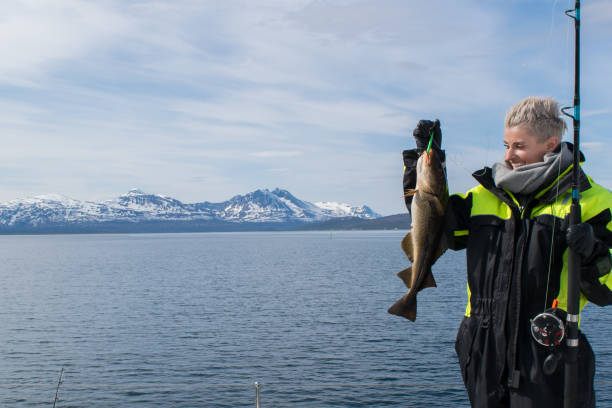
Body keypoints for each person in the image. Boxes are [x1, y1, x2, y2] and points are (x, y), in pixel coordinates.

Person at [402, 96, 612, 407]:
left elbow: (605, 292)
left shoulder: (594, 202)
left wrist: (593, 251)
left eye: (519, 146)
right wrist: (426, 158)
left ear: (551, 143)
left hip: (549, 352)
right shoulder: (482, 196)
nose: (509, 155)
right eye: (505, 145)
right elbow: (432, 225)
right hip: (482, 349)